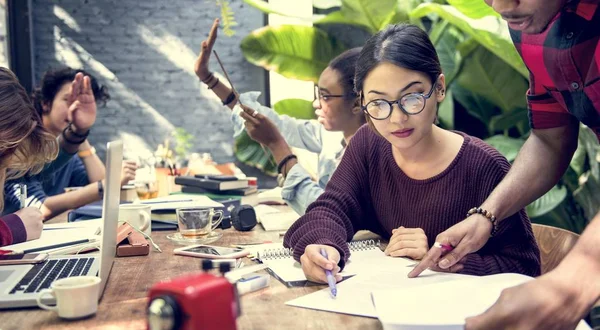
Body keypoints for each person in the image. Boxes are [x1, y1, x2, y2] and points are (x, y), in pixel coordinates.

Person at [281, 23, 541, 284]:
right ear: (362, 102)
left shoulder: (483, 166)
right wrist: (323, 247)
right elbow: (331, 209)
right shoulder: (369, 144)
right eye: (378, 103)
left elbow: (525, 267)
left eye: (412, 97)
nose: (397, 118)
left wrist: (439, 260)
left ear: (439, 87)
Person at [404, 0, 600, 329]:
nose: (500, 5)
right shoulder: (531, 23)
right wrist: (487, 215)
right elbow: (550, 138)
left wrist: (575, 280)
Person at [194, 19, 366, 215]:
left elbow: (328, 213)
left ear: (356, 104)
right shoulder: (331, 137)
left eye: (325, 96)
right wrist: (208, 78)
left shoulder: (375, 156)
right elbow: (272, 121)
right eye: (318, 94)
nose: (316, 103)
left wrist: (278, 147)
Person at [2, 68, 137, 220]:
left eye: (81, 101)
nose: (74, 107)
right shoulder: (16, 146)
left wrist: (80, 131)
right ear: (46, 103)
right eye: (68, 100)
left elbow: (97, 186)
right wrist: (109, 184)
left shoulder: (67, 154)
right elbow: (39, 207)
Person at [0, 67, 97, 246]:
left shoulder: (22, 152)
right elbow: (41, 204)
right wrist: (11, 229)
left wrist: (78, 132)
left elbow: (35, 166)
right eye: (67, 100)